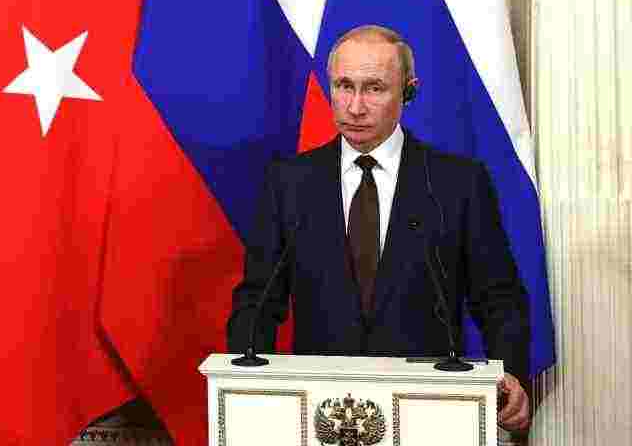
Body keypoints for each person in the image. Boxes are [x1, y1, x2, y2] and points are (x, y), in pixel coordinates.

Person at [227, 25, 532, 431]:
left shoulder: (457, 183)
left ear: (408, 92)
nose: (355, 106)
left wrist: (510, 373)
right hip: (321, 413)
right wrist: (245, 382)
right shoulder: (289, 183)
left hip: (429, 410)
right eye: (344, 86)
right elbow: (258, 300)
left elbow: (499, 298)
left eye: (374, 89)